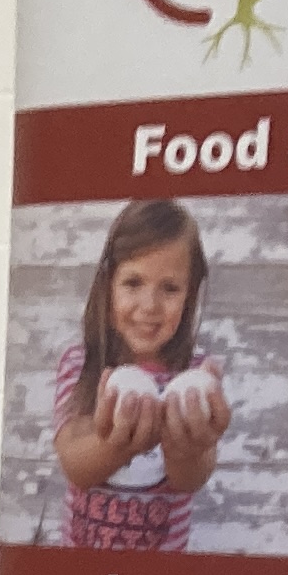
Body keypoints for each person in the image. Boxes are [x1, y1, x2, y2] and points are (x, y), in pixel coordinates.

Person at [51, 198, 230, 550]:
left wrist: (189, 446)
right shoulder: (82, 363)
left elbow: (189, 479)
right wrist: (117, 444)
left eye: (170, 288)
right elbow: (76, 466)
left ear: (190, 293)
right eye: (133, 283)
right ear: (108, 285)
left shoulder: (194, 372)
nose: (149, 306)